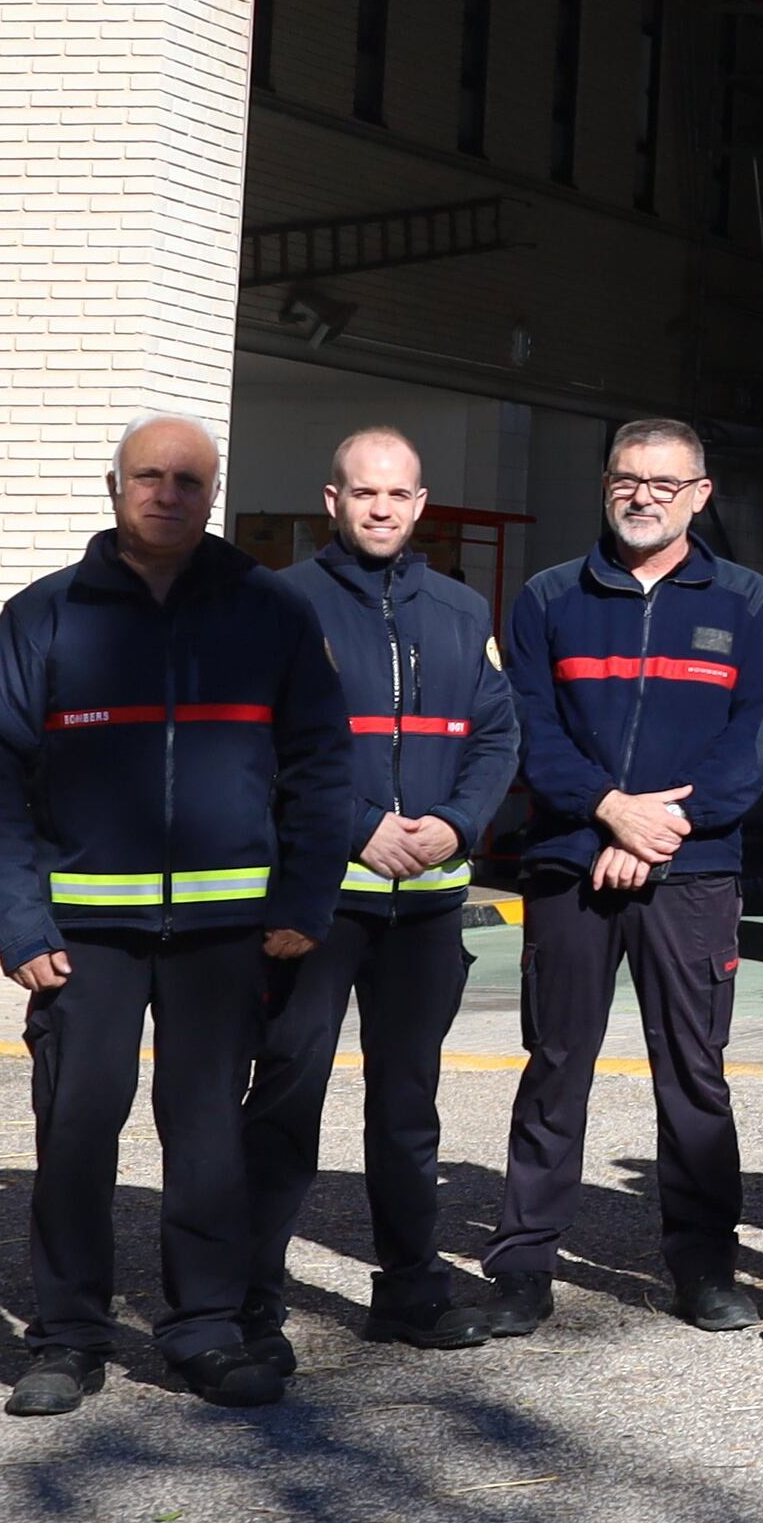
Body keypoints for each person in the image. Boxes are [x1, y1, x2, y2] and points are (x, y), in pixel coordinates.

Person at [0, 415, 357, 1415]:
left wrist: (304, 895)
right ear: (113, 484)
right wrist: (19, 923)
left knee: (208, 1136)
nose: (168, 494)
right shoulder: (44, 614)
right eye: (149, 476)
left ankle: (207, 1330)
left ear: (212, 493)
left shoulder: (267, 609)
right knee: (78, 1132)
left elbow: (322, 762)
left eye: (189, 479)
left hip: (229, 931)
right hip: (81, 935)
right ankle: (65, 1337)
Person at [492, 417, 763, 1335]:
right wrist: (608, 809)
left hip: (692, 872)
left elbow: (749, 748)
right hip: (572, 864)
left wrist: (657, 828)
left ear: (701, 495)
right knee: (555, 1067)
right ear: (606, 484)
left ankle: (703, 1269)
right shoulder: (547, 597)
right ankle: (523, 1268)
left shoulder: (745, 601)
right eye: (628, 478)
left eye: (666, 482)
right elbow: (531, 733)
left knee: (694, 1076)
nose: (644, 496)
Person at [240, 426, 525, 1361]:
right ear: (333, 502)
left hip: (428, 907)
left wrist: (456, 821)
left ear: (419, 505)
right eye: (365, 493)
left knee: (408, 1111)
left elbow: (495, 733)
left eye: (399, 496)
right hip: (320, 905)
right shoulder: (280, 604)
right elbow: (264, 745)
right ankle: (250, 1295)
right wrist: (359, 822)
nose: (381, 509)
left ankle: (411, 1288)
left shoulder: (454, 609)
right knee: (288, 1095)